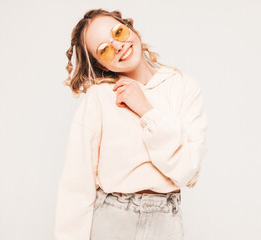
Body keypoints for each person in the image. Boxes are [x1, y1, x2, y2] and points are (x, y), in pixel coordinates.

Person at [52, 8, 208, 240]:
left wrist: (146, 109)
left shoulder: (183, 88)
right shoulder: (100, 98)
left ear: (130, 29)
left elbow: (187, 171)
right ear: (101, 65)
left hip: (166, 223)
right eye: (104, 49)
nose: (118, 46)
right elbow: (76, 185)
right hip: (112, 221)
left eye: (119, 32)